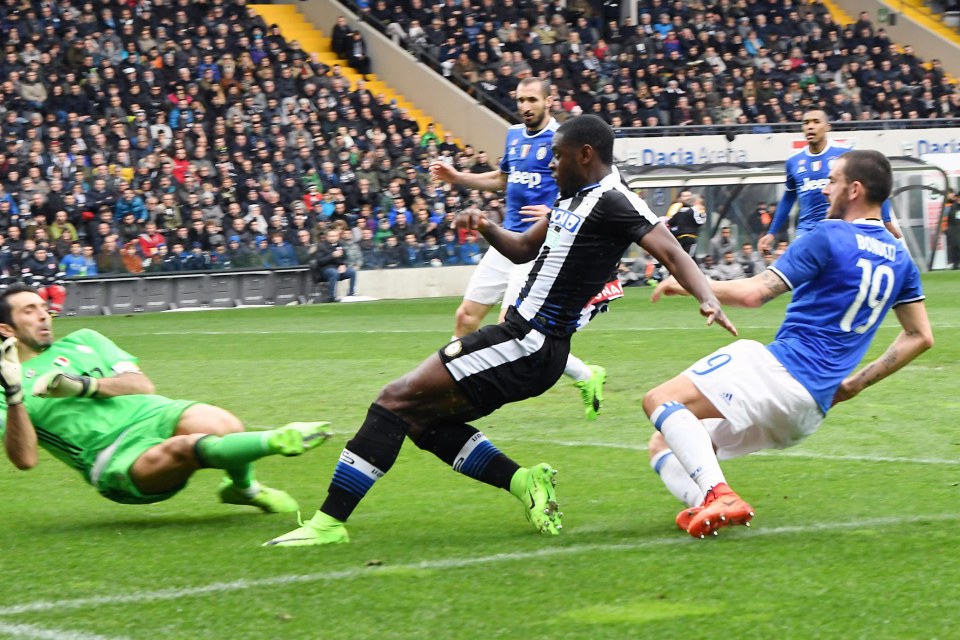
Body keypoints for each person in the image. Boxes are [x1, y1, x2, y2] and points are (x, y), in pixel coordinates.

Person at [265, 115, 735, 547]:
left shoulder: (615, 200)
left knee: (393, 401)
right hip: (528, 343)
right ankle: (523, 482)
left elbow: (673, 252)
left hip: (528, 341)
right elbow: (521, 251)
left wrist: (707, 297)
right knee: (423, 421)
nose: (550, 164)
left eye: (558, 155)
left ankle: (327, 524)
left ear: (585, 154)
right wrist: (484, 223)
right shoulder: (574, 198)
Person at [644, 150, 932, 539]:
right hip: (810, 411)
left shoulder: (828, 235)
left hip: (779, 372)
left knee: (659, 400)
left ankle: (719, 495)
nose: (825, 190)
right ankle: (708, 503)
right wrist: (854, 384)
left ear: (855, 189)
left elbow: (754, 294)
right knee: (666, 441)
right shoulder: (901, 259)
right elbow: (920, 336)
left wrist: (690, 284)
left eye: (833, 181)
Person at [0, 283, 332, 511]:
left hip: (155, 413)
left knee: (225, 423)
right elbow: (25, 460)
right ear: (7, 329)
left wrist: (83, 386)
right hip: (116, 457)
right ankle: (277, 440)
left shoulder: (85, 339)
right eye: (29, 310)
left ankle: (244, 490)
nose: (43, 315)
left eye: (44, 307)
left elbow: (141, 384)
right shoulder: (4, 384)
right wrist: (15, 395)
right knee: (185, 447)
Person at [430, 77, 609, 422]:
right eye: (520, 100)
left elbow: (591, 188)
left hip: (539, 246)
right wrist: (458, 178)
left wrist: (557, 211)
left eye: (531, 99)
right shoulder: (514, 135)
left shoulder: (566, 140)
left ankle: (581, 376)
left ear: (548, 101)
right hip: (504, 239)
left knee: (512, 329)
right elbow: (503, 179)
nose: (525, 106)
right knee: (465, 316)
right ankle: (450, 381)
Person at [759, 110, 901, 253]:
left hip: (842, 228)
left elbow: (874, 181)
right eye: (806, 123)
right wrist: (772, 232)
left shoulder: (845, 155)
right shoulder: (793, 161)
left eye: (816, 122)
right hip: (808, 231)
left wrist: (886, 221)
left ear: (827, 127)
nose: (810, 126)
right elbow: (788, 198)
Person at [665, 191, 706, 256]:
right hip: (689, 237)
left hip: (679, 237)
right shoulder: (692, 210)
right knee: (689, 257)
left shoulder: (680, 210)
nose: (687, 198)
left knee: (684, 256)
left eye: (689, 196)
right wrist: (703, 214)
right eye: (685, 196)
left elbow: (670, 222)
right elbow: (699, 222)